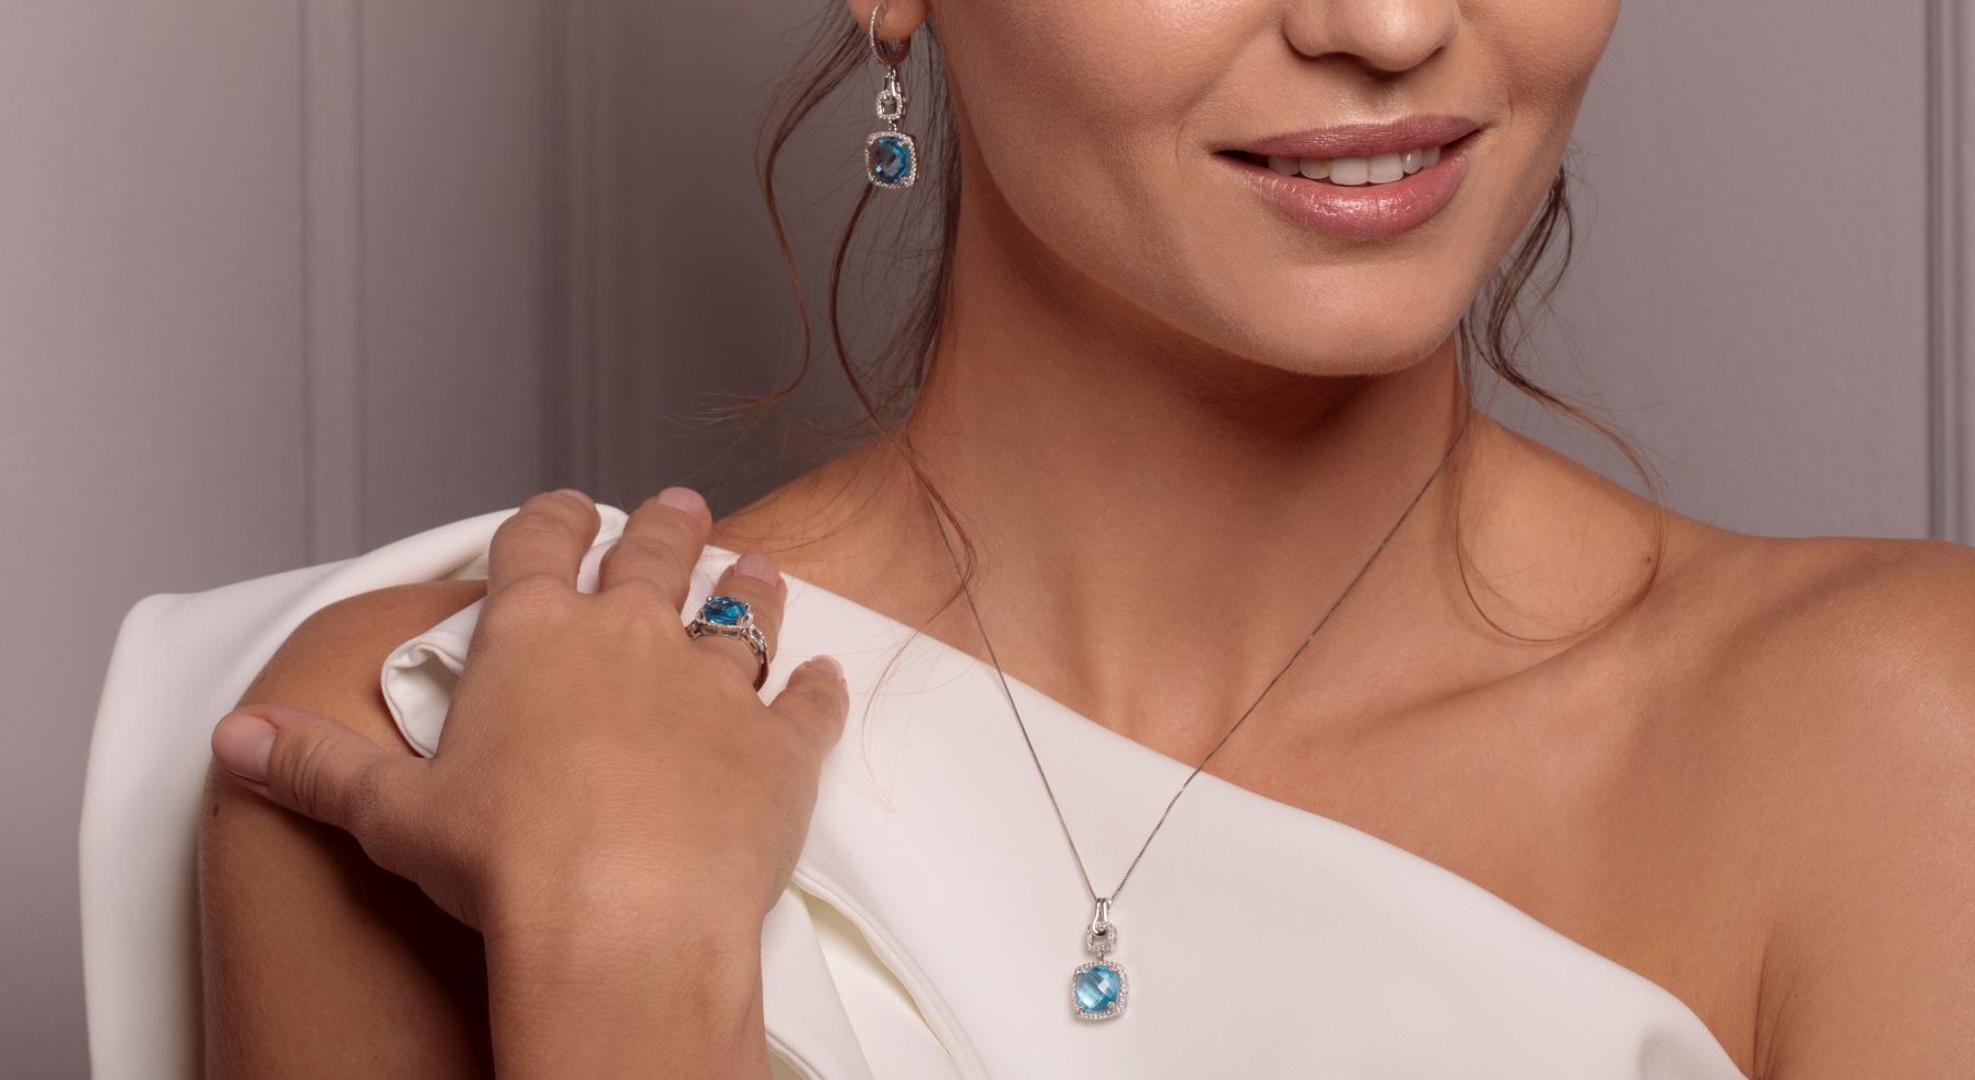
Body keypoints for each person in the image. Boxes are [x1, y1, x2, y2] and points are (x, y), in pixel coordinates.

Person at [189, 0, 1975, 1076]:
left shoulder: (1899, 747)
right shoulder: (427, 739)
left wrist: (629, 995)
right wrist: (610, 933)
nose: (1388, 22)